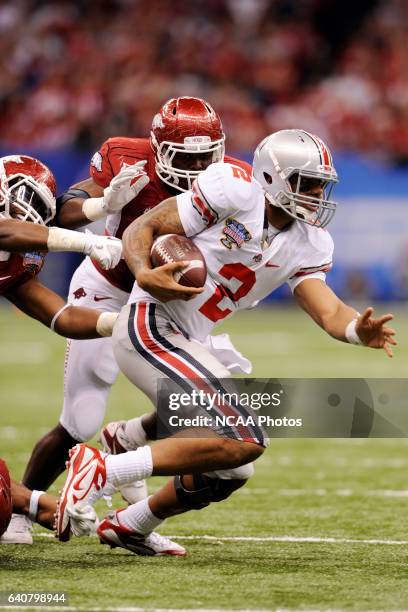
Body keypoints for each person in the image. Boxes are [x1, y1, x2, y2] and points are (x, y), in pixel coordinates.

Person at [55, 129, 396, 555]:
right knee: (244, 437)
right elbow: (146, 226)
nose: (315, 193)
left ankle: (131, 523)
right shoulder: (234, 191)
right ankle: (104, 468)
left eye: (320, 184)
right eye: (304, 182)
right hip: (151, 326)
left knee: (233, 469)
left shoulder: (311, 241)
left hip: (189, 338)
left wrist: (354, 330)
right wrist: (143, 272)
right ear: (271, 178)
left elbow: (327, 309)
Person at [22, 98, 251, 519]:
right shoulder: (126, 157)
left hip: (171, 306)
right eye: (188, 156)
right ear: (158, 148)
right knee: (80, 421)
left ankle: (128, 452)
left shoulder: (232, 181)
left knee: (198, 407)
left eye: (207, 156)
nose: (199, 167)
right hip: (108, 289)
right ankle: (22, 507)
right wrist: (102, 204)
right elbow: (59, 212)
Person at [0, 154, 130, 543]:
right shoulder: (10, 235)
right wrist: (85, 240)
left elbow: (62, 317)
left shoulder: (16, 265)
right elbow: (4, 231)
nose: (28, 222)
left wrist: (116, 323)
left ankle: (28, 505)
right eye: (23, 209)